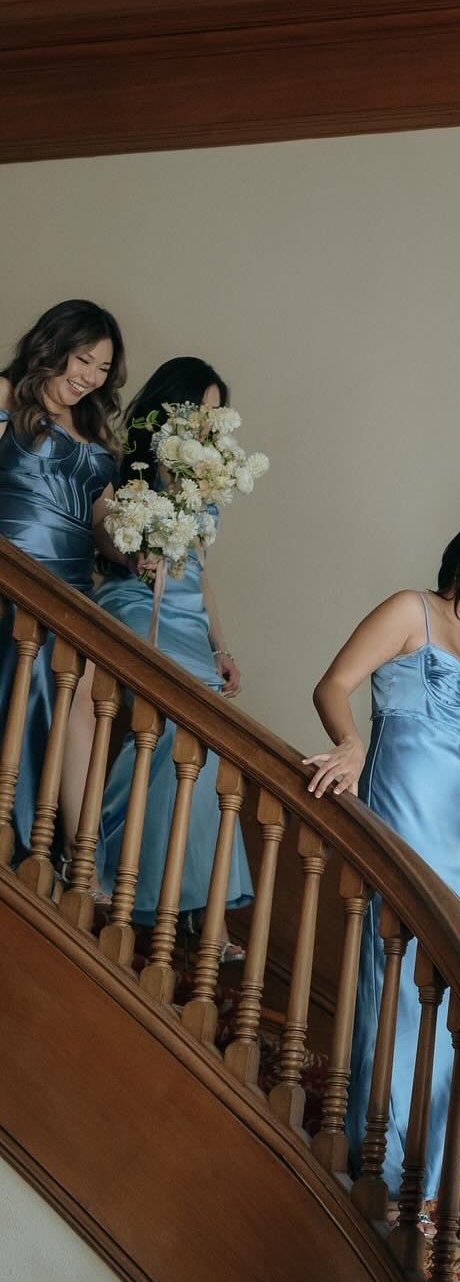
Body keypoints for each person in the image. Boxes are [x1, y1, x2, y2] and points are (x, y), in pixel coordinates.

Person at [306, 509, 460, 1200]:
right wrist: (350, 744)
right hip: (406, 830)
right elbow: (333, 684)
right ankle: (393, 1163)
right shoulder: (410, 609)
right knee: (411, 996)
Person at [93, 358, 253, 941]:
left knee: (210, 741)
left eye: (215, 414)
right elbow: (104, 530)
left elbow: (201, 573)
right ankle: (108, 859)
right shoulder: (131, 464)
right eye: (198, 409)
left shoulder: (204, 481)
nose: (206, 424)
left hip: (188, 621)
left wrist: (220, 644)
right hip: (137, 605)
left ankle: (188, 902)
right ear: (173, 405)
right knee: (174, 717)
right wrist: (133, 552)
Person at [0, 299, 125, 857]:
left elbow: (100, 524)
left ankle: (79, 850)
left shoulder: (92, 429)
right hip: (14, 577)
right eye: (83, 360)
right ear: (53, 346)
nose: (90, 378)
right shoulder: (6, 398)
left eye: (102, 369)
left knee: (86, 696)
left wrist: (135, 546)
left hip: (74, 589)